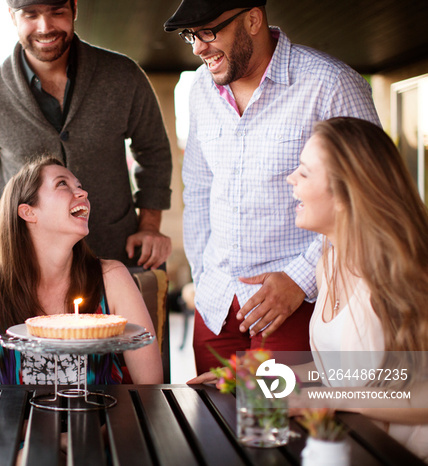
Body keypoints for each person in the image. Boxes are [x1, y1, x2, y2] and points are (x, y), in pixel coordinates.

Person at [163, 0, 381, 373]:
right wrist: (203, 274)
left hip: (297, 304)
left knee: (279, 425)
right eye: (190, 36)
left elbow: (370, 198)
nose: (198, 47)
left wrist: (300, 279)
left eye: (209, 31)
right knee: (213, 425)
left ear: (252, 19)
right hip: (216, 305)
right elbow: (198, 189)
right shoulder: (199, 88)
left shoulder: (330, 84)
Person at [0, 0, 173, 276]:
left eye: (57, 12)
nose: (45, 27)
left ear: (75, 8)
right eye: (31, 15)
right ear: (12, 16)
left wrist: (150, 226)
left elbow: (153, 151)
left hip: (118, 258)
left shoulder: (124, 76)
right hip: (28, 270)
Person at [283, 117, 428, 460]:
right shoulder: (328, 261)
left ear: (346, 194)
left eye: (304, 172)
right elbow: (359, 367)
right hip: (358, 449)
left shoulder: (402, 273)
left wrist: (328, 399)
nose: (291, 178)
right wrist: (272, 374)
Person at [0, 157, 162, 385]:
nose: (83, 194)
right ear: (28, 212)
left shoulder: (112, 276)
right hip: (19, 420)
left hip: (101, 419)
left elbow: (149, 387)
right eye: (62, 184)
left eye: (80, 187)